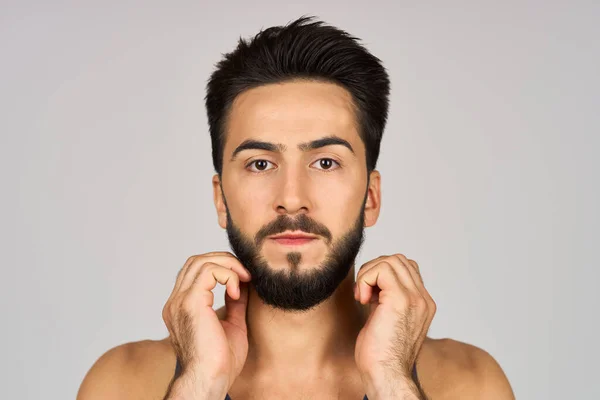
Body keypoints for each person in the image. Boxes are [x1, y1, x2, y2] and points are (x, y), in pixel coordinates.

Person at [77, 16, 515, 400]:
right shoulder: (121, 384)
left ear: (371, 197)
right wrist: (197, 386)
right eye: (260, 163)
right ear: (220, 199)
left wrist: (392, 385)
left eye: (325, 162)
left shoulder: (470, 384)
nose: (291, 196)